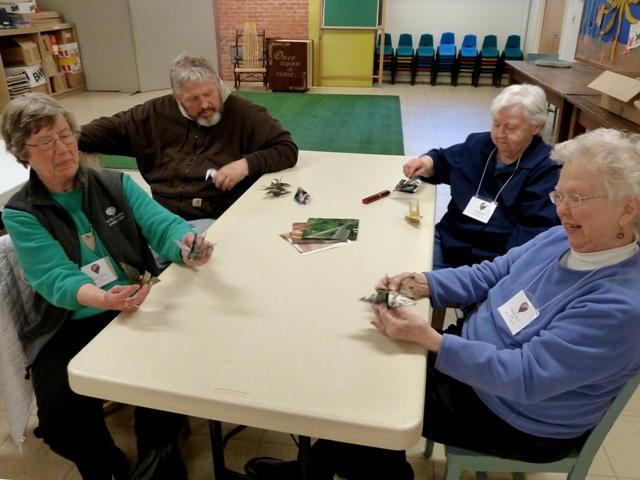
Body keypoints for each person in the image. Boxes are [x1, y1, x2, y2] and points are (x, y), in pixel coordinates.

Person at [244, 128, 640, 479]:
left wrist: (432, 341)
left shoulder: (621, 305)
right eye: (559, 194)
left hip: (517, 415)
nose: (561, 209)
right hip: (476, 360)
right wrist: (424, 283)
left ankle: (335, 469)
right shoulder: (561, 238)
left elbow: (525, 376)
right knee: (372, 369)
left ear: (628, 207)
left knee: (370, 398)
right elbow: (491, 273)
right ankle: (336, 467)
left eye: (577, 198)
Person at [1, 93, 214, 480]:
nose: (62, 148)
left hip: (137, 303)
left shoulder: (114, 183)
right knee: (60, 421)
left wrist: (187, 244)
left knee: (166, 376)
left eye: (66, 135)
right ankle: (107, 465)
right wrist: (103, 297)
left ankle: (156, 458)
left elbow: (163, 225)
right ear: (22, 152)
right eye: (45, 141)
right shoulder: (22, 212)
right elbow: (54, 277)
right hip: (71, 319)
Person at [79, 52, 298, 225]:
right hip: (159, 215)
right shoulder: (153, 114)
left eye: (209, 93)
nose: (205, 104)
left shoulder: (245, 114)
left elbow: (285, 148)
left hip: (213, 217)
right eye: (193, 99)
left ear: (219, 85)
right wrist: (64, 136)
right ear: (177, 99)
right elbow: (96, 132)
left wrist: (244, 165)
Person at [404, 84, 559, 269]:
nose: (499, 135)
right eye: (496, 124)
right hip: (450, 240)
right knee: (402, 268)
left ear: (536, 126)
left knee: (422, 281)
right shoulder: (478, 144)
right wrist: (427, 162)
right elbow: (444, 160)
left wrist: (495, 273)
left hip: (493, 259)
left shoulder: (548, 168)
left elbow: (531, 233)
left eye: (510, 128)